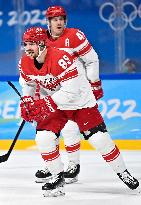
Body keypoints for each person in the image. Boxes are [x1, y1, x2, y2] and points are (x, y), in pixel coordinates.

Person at [19, 27, 139, 197]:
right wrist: (27, 100)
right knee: (43, 137)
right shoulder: (25, 61)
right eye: (26, 44)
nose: (27, 47)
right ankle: (57, 179)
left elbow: (71, 92)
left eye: (31, 44)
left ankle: (124, 173)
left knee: (100, 139)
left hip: (80, 102)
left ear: (42, 44)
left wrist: (45, 103)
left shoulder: (61, 58)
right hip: (58, 104)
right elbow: (28, 83)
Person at [35, 5, 103, 184]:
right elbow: (36, 65)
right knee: (48, 129)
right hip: (50, 90)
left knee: (70, 128)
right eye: (55, 19)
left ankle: (73, 165)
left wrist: (94, 83)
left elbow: (92, 59)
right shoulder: (41, 39)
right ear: (48, 22)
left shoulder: (74, 36)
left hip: (71, 91)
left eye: (61, 18)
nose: (59, 22)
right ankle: (52, 166)